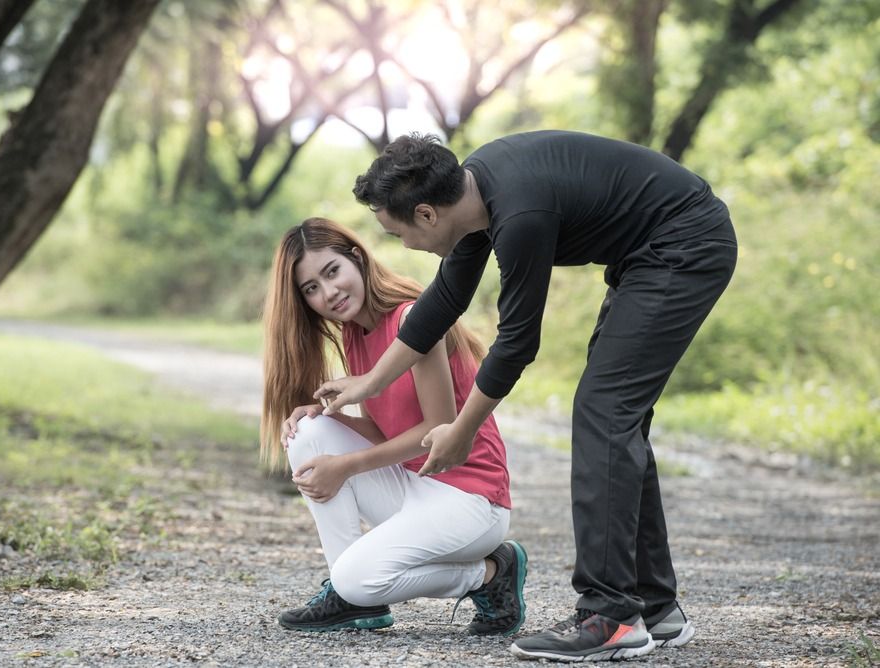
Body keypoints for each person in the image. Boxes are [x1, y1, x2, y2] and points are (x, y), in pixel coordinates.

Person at [314, 131, 738, 661]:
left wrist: (461, 430)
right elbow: (444, 300)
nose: (403, 247)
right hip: (649, 255)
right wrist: (370, 382)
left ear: (426, 215)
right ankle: (652, 606)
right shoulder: (474, 193)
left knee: (604, 415)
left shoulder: (519, 217)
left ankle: (610, 615)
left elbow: (516, 343)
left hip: (684, 245)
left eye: (396, 232)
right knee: (615, 421)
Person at [260, 217, 526, 635]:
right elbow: (388, 434)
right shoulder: (354, 333)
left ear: (357, 258)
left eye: (332, 272)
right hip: (416, 485)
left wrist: (346, 466)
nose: (328, 292)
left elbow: (437, 427)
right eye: (311, 288)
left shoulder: (413, 319)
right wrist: (327, 418)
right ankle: (353, 601)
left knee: (357, 577)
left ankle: (491, 573)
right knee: (306, 432)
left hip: (470, 501)